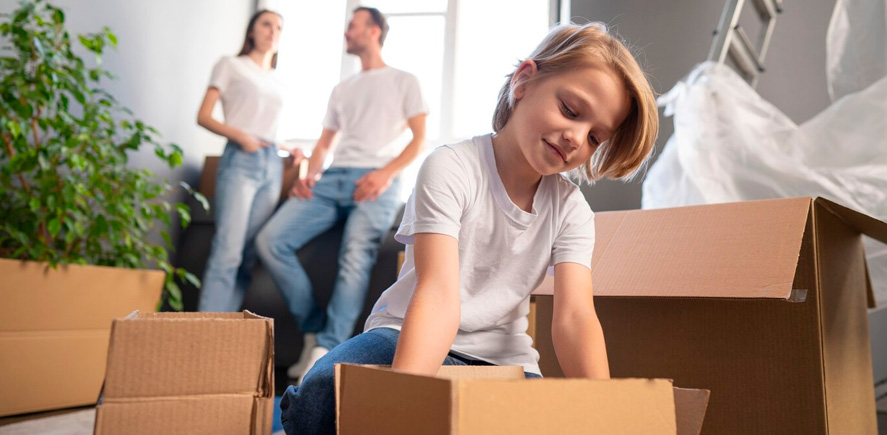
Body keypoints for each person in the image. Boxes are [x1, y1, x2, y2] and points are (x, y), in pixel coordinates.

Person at [278, 21, 660, 434]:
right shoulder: (451, 167)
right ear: (524, 82)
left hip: (503, 359)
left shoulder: (572, 210)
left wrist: (605, 408)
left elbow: (574, 317)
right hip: (404, 335)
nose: (576, 139)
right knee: (321, 392)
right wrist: (398, 404)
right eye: (570, 110)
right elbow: (439, 293)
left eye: (594, 138)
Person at [255, 6, 428, 382]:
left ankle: (325, 346)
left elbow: (419, 139)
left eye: (353, 26)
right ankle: (313, 327)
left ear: (374, 31)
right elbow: (325, 143)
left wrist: (384, 174)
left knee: (355, 253)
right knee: (271, 240)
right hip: (333, 180)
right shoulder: (342, 88)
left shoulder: (404, 80)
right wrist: (308, 175)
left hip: (377, 181)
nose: (347, 32)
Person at [196, 10, 297, 312]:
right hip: (241, 159)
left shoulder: (278, 82)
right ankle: (206, 331)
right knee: (227, 252)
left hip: (271, 164)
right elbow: (203, 116)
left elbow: (266, 128)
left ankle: (230, 336)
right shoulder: (231, 65)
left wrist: (285, 148)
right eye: (266, 24)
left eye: (279, 27)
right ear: (252, 31)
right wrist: (241, 137)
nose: (273, 31)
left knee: (248, 255)